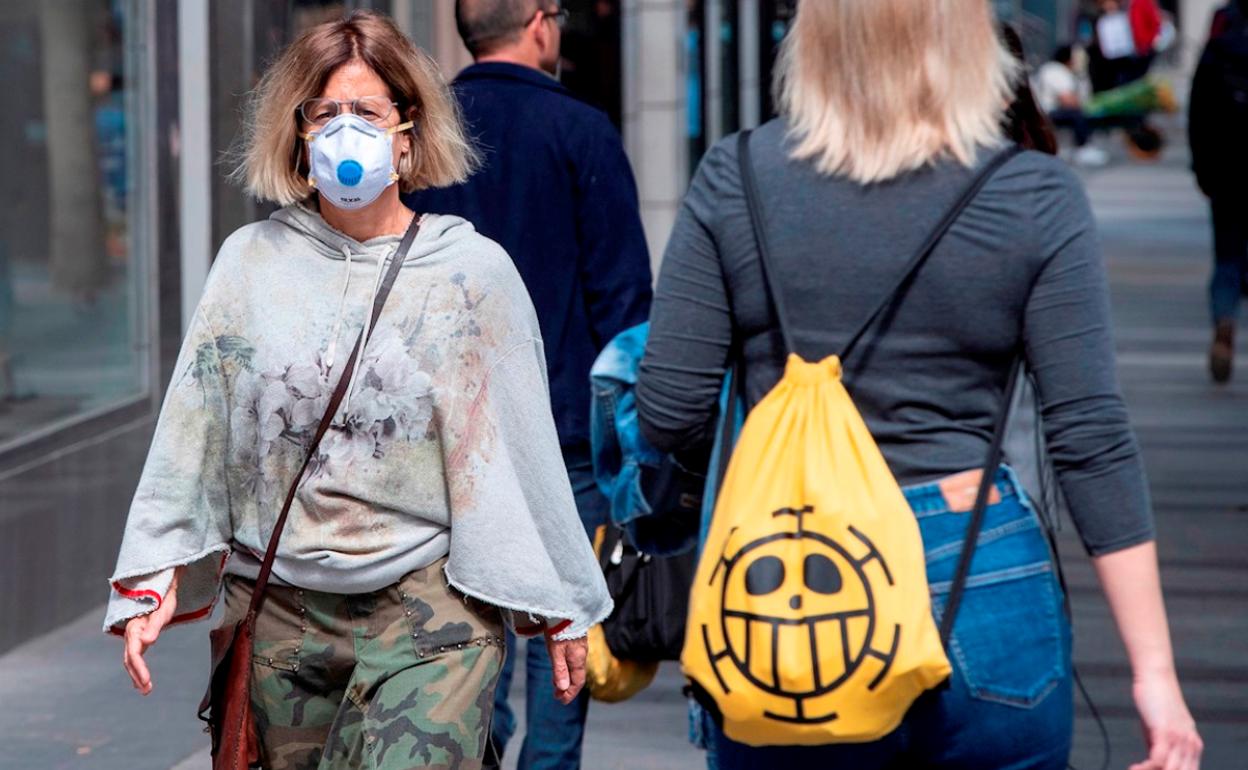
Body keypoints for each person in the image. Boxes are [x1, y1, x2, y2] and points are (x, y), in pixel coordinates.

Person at [636, 1, 1202, 768]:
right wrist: (1156, 675)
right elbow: (1090, 440)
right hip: (978, 557)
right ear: (968, 42)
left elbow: (669, 410)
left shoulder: (735, 177)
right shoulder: (1032, 194)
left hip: (791, 572)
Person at [104, 11, 611, 770]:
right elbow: (192, 428)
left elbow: (519, 451)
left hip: (428, 614)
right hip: (276, 614)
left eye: (368, 112)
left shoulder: (471, 274)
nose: (347, 131)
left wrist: (565, 601)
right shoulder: (249, 265)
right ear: (299, 135)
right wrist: (150, 579)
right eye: (325, 113)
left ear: (406, 134)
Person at [405, 2, 652, 768]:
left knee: (468, 613)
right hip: (562, 424)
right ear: (541, 23)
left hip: (442, 429)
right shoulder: (582, 132)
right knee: (559, 625)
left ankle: (475, 752)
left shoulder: (422, 135)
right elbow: (625, 304)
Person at [1191, 0, 1248, 383]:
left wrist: (1202, 169)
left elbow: (1198, 111)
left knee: (1226, 258)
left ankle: (1225, 320)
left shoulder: (1218, 49)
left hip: (1227, 173)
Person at [1032, 45, 1110, 166]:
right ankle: (1083, 148)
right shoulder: (1056, 71)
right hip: (1048, 112)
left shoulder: (1055, 70)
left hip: (1047, 111)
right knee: (1078, 113)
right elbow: (1068, 100)